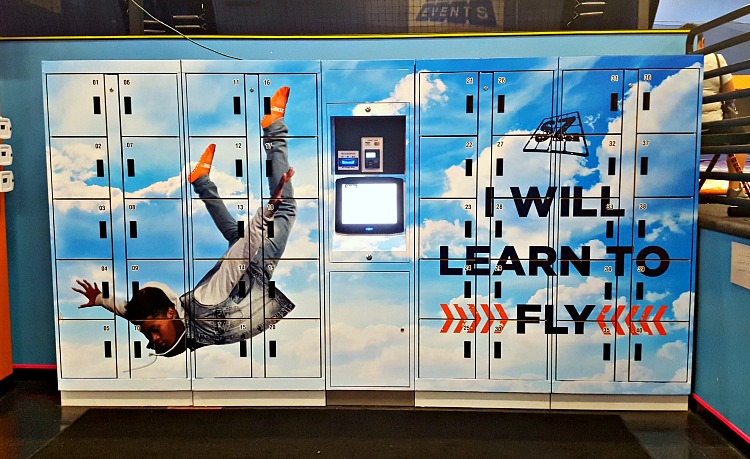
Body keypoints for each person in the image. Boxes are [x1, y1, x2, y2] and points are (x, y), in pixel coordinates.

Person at [73, 87, 297, 357]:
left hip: (253, 263)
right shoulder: (169, 316)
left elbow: (245, 251)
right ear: (171, 312)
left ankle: (273, 129)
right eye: (151, 332)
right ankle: (201, 182)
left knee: (284, 210)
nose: (152, 340)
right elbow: (127, 311)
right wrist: (100, 300)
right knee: (236, 237)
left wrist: (272, 206)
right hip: (246, 266)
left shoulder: (207, 301)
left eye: (150, 332)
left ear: (170, 312)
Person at [686, 23, 748, 197]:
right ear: (702, 42)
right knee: (741, 140)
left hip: (683, 127)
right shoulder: (718, 59)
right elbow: (729, 94)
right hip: (714, 127)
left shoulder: (674, 62)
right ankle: (735, 189)